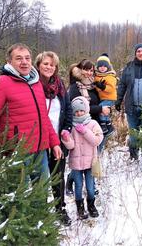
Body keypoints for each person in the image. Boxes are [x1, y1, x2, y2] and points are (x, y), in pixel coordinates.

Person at [0, 43, 62, 183]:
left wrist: (54, 142)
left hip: (40, 151)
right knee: (20, 200)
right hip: (17, 153)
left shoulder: (36, 83)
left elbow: (43, 117)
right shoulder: (0, 83)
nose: (24, 62)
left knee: (41, 197)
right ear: (9, 62)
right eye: (19, 58)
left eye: (27, 58)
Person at [35, 51, 73, 226]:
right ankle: (39, 212)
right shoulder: (32, 85)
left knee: (58, 176)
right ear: (38, 65)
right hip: (39, 140)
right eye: (45, 64)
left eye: (52, 65)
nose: (49, 67)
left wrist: (66, 129)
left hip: (58, 139)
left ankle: (60, 209)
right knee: (40, 178)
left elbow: (68, 109)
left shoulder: (59, 85)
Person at [66, 59, 110, 195]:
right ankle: (70, 180)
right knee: (80, 157)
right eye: (86, 69)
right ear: (80, 70)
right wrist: (100, 109)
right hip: (79, 128)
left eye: (91, 70)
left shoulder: (92, 85)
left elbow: (101, 99)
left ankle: (92, 184)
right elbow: (77, 108)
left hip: (93, 126)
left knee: (92, 157)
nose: (89, 73)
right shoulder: (75, 87)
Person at [61, 96, 103, 219]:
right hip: (77, 163)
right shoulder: (72, 126)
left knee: (90, 187)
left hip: (90, 162)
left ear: (86, 110)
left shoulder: (93, 124)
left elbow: (97, 140)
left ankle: (91, 205)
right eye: (76, 111)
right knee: (78, 186)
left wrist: (85, 131)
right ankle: (80, 208)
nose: (79, 113)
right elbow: (71, 146)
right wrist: (66, 138)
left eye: (81, 111)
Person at [94, 53, 117, 136]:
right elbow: (95, 86)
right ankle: (108, 125)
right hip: (103, 97)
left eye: (104, 66)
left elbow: (111, 88)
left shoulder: (110, 76)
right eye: (100, 66)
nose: (102, 68)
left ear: (108, 67)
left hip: (109, 98)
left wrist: (103, 87)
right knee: (105, 111)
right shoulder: (97, 76)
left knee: (102, 109)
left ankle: (103, 125)